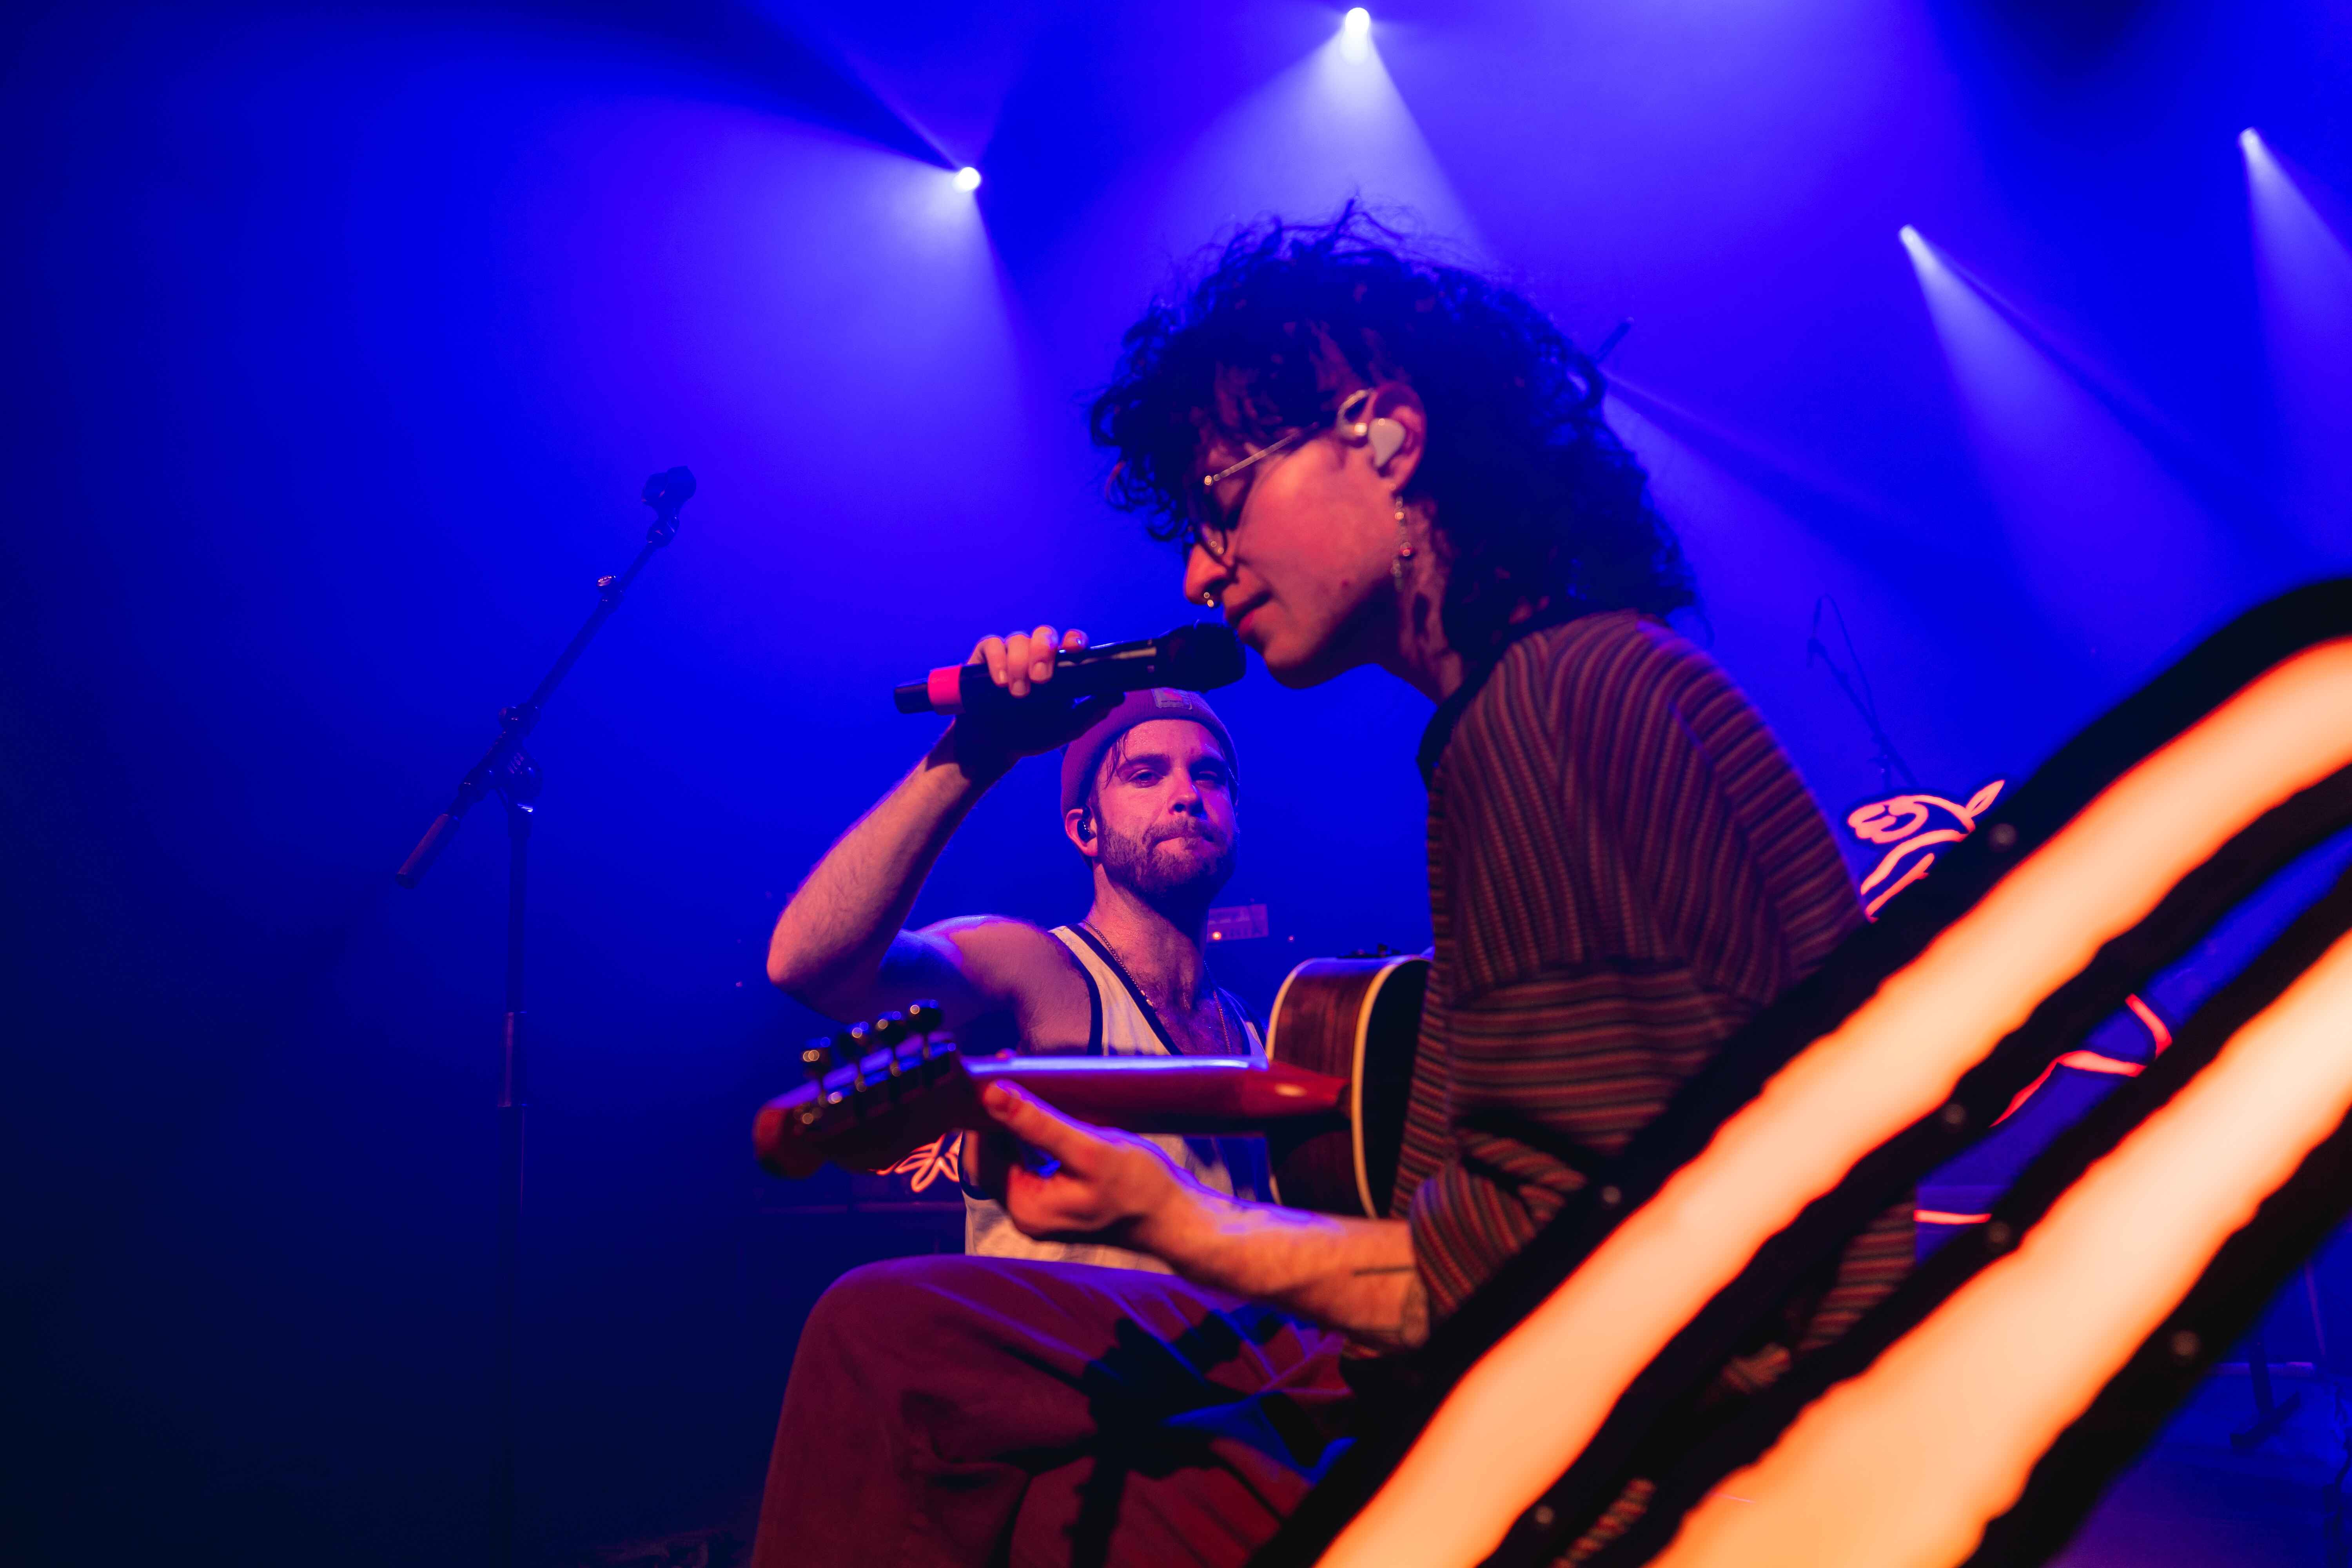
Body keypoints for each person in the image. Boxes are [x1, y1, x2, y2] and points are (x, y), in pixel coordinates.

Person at [750, 209, 1912, 1568]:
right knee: (1064, 1491)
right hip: (1638, 1439)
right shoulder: (1554, 701)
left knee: (892, 1347)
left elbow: (1563, 1272)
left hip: (1651, 1483)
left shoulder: (1556, 710)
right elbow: (813, 964)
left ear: (1387, 438)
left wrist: (1180, 1222)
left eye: (1222, 502)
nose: (1199, 571)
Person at [766, 667, 1268, 1267]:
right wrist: (975, 752)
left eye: (1209, 775)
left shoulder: (1255, 1031)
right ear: (1086, 829)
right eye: (1145, 775)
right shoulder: (1040, 974)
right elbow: (807, 964)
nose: (1188, 794)